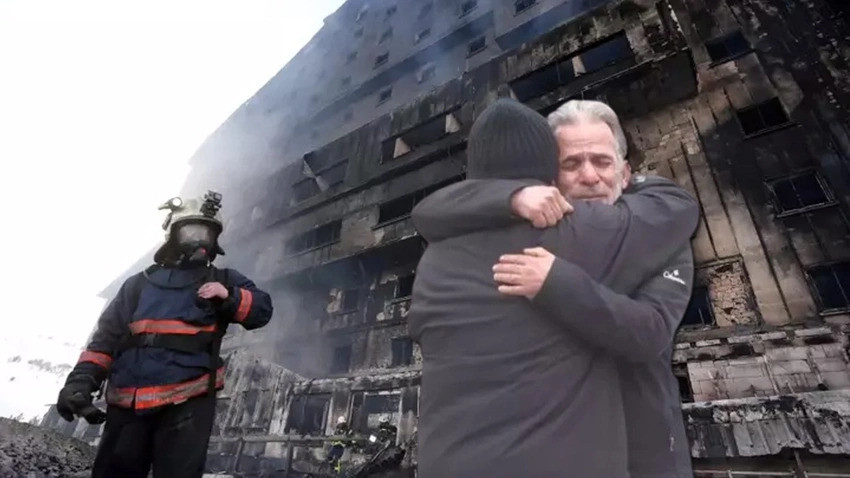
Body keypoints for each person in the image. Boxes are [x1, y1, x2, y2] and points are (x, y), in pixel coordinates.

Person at [408, 98, 698, 477]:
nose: (590, 177)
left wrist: (555, 281)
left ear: (625, 173)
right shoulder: (576, 234)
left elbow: (652, 331)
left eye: (603, 162)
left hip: (648, 454)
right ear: (549, 177)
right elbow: (677, 203)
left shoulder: (658, 239)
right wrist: (510, 198)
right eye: (571, 164)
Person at [55, 191, 273, 478]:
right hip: (127, 405)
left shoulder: (222, 279)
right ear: (173, 234)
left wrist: (230, 296)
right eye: (192, 232)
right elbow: (104, 340)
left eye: (207, 234)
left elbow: (262, 310)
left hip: (187, 404)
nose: (200, 241)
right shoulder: (137, 285)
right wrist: (81, 382)